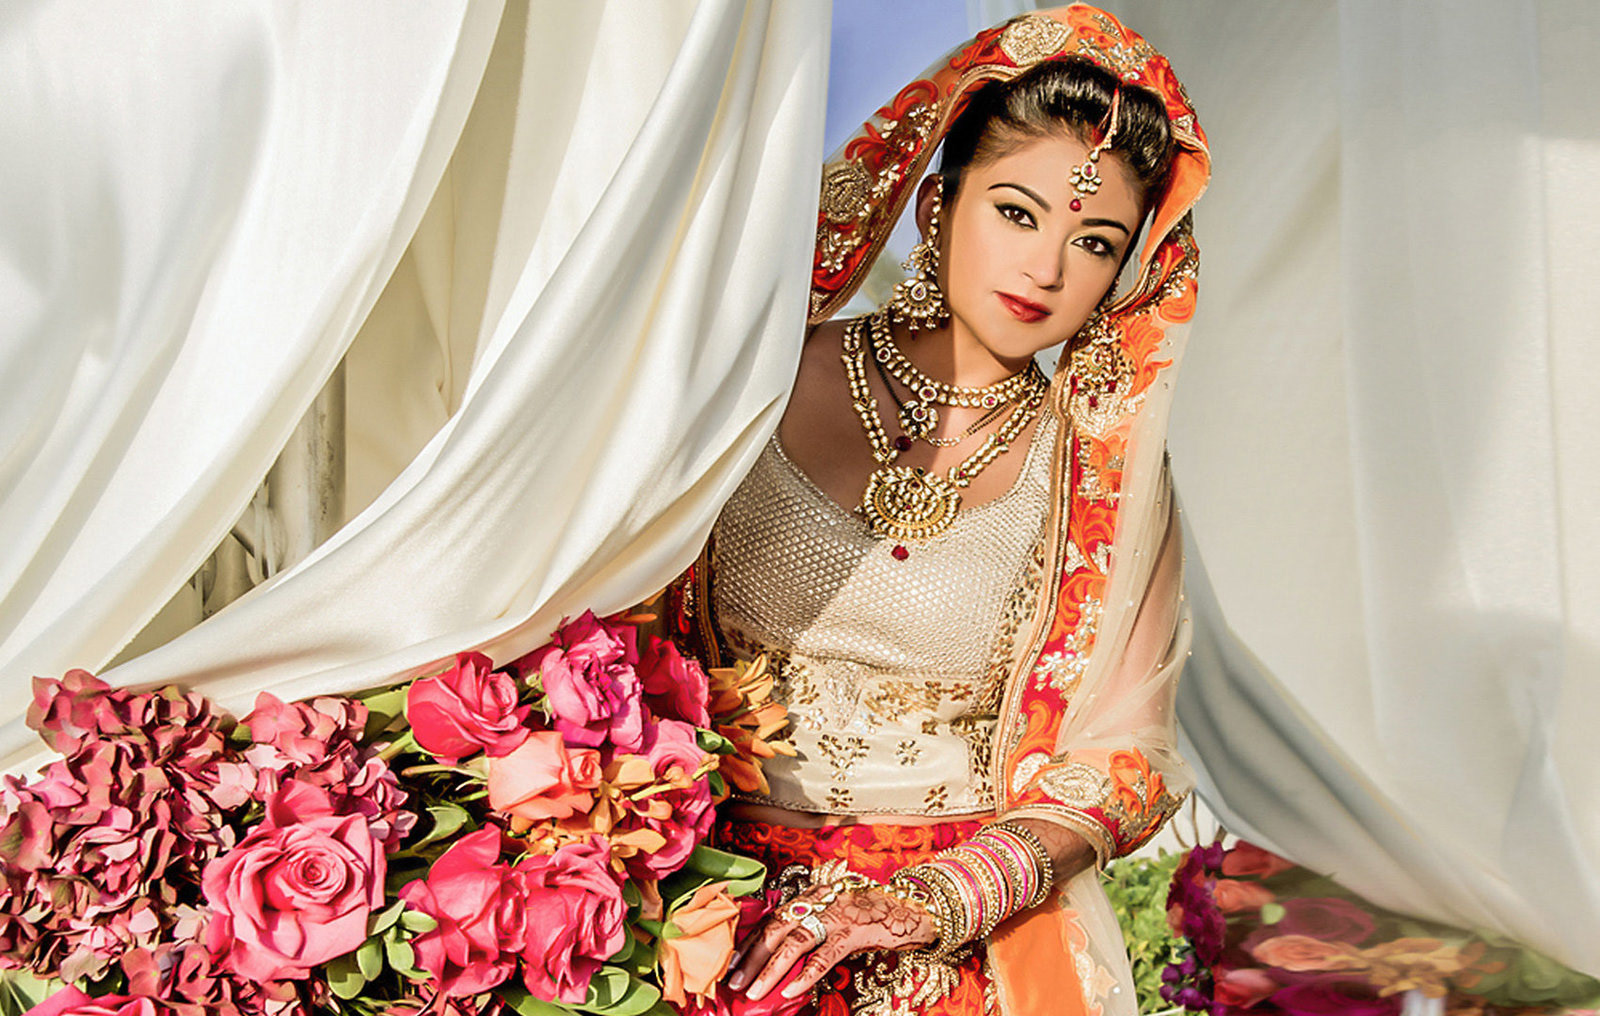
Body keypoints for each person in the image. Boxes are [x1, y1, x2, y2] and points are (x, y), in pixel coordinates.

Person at [667, 7, 1211, 1015]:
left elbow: (1126, 760)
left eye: (1092, 240)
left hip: (966, 948)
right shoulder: (749, 383)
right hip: (700, 924)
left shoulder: (1100, 474)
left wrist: (932, 901)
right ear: (935, 205)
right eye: (1015, 211)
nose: (1045, 268)